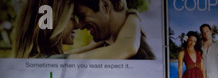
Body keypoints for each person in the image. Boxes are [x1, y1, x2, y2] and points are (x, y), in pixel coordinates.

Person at [12, 0, 142, 59]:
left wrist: (103, 38)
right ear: (54, 22)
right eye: (72, 18)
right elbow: (126, 47)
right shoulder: (50, 62)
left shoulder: (38, 60)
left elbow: (78, 53)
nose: (78, 25)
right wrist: (133, 16)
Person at [73, 0, 155, 60]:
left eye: (82, 16)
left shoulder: (143, 54)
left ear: (105, 6)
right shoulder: (106, 45)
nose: (81, 26)